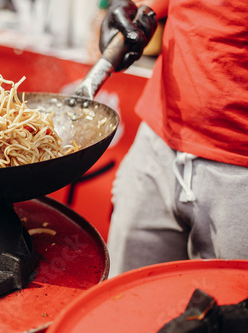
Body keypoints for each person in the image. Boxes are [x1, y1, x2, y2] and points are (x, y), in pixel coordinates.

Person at [99, 0, 248, 277]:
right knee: (125, 303)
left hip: (240, 173)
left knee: (231, 313)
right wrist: (140, 6)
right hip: (156, 144)